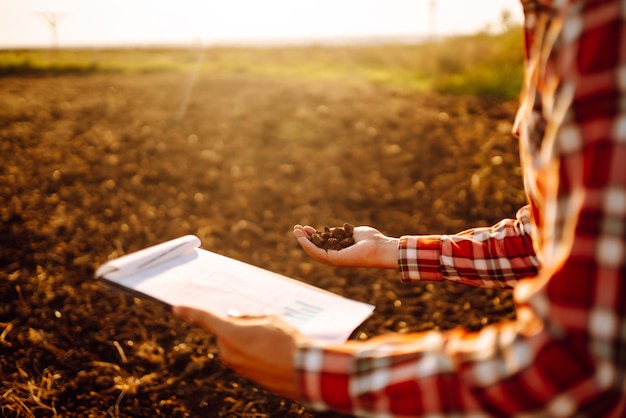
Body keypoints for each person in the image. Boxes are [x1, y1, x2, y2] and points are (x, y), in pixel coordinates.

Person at [173, 1, 626, 416]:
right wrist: (389, 250)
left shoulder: (599, 25)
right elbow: (546, 242)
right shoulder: (556, 19)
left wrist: (310, 370)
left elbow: (580, 365)